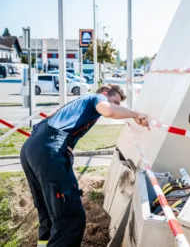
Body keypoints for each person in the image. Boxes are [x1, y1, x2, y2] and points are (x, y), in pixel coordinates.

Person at [20, 84, 149, 247]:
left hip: (31, 149)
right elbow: (109, 110)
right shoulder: (96, 98)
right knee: (71, 218)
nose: (117, 107)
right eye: (115, 101)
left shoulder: (76, 105)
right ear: (104, 94)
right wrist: (136, 114)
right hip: (48, 150)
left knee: (48, 212)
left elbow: (47, 125)